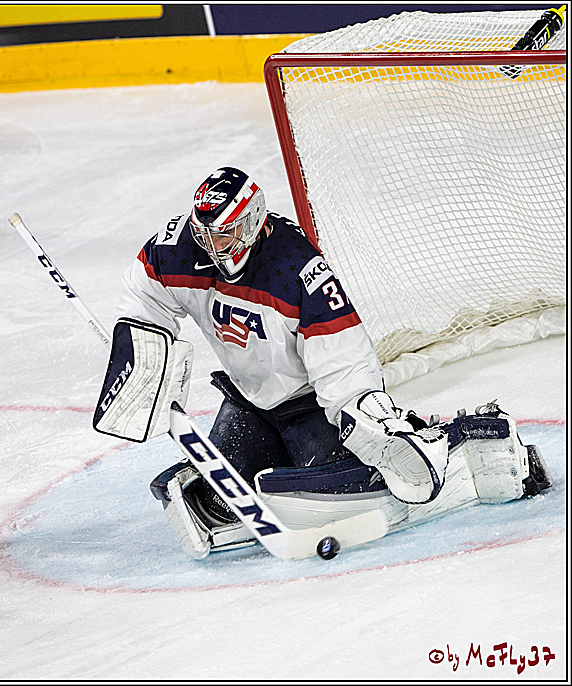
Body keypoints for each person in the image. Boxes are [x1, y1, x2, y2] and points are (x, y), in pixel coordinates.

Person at [92, 166, 548, 559]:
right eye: (205, 230)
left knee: (354, 488)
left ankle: (462, 443)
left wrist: (363, 417)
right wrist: (143, 352)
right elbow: (143, 295)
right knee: (213, 497)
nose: (212, 242)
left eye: (225, 231)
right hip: (251, 403)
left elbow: (343, 358)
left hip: (310, 405)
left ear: (251, 221)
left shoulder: (295, 266)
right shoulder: (177, 248)